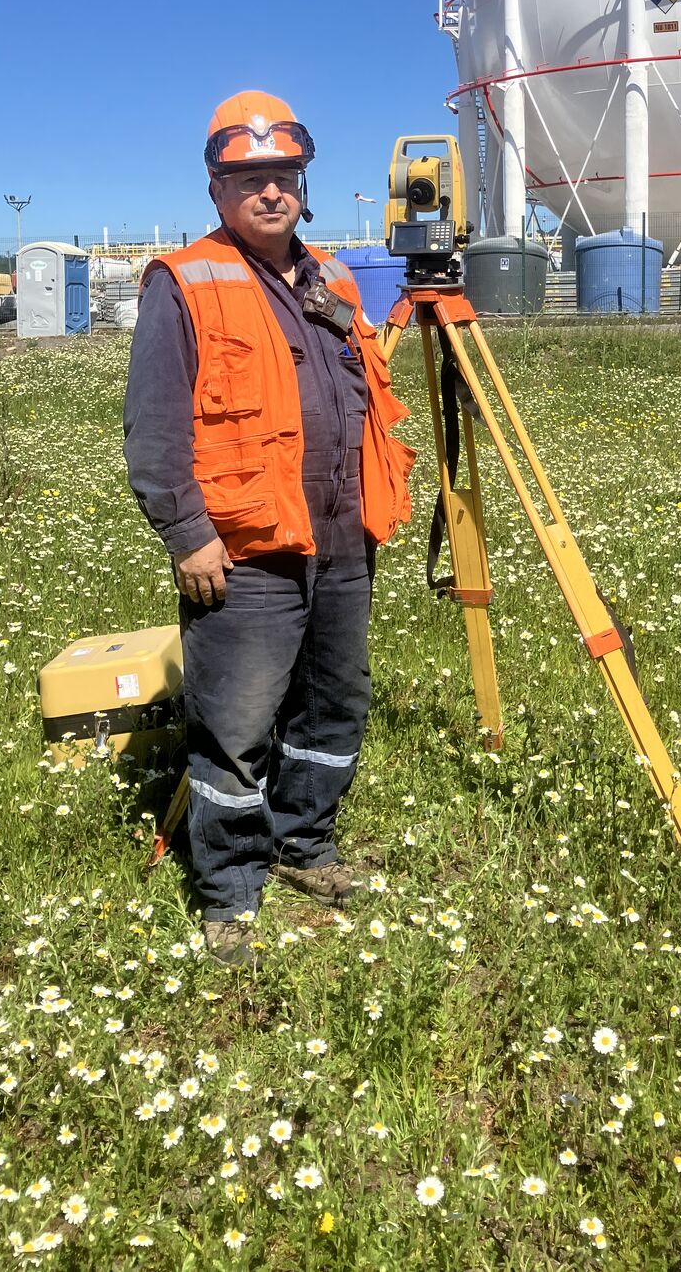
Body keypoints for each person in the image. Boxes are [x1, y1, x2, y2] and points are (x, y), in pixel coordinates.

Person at [123, 90, 414, 965]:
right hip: (243, 547)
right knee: (237, 723)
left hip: (340, 535)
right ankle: (227, 891)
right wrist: (186, 532)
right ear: (216, 189)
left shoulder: (333, 276)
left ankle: (304, 843)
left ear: (303, 182)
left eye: (283, 175)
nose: (269, 191)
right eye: (248, 178)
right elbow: (155, 427)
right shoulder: (185, 283)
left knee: (335, 706)